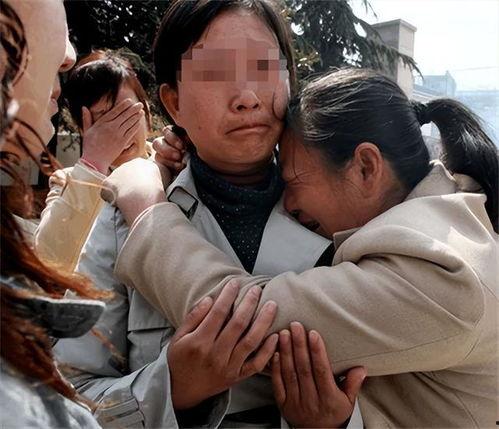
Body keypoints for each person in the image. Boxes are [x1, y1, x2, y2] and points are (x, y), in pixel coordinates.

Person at [1, 2, 350, 428]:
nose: (247, 98)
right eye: (215, 72)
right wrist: (173, 385)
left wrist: (338, 421)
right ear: (174, 102)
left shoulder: (345, 216)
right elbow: (67, 389)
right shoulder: (122, 215)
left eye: (264, 67)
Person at [108, 68, 499, 428]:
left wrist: (146, 210)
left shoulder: (443, 271)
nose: (288, 203)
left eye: (293, 180)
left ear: (365, 167)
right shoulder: (445, 224)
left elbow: (241, 323)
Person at [35, 50, 151, 272]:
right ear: (83, 128)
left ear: (146, 111)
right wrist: (94, 164)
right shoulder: (68, 182)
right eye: (105, 117)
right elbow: (49, 261)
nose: (119, 130)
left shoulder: (176, 160)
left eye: (127, 112)